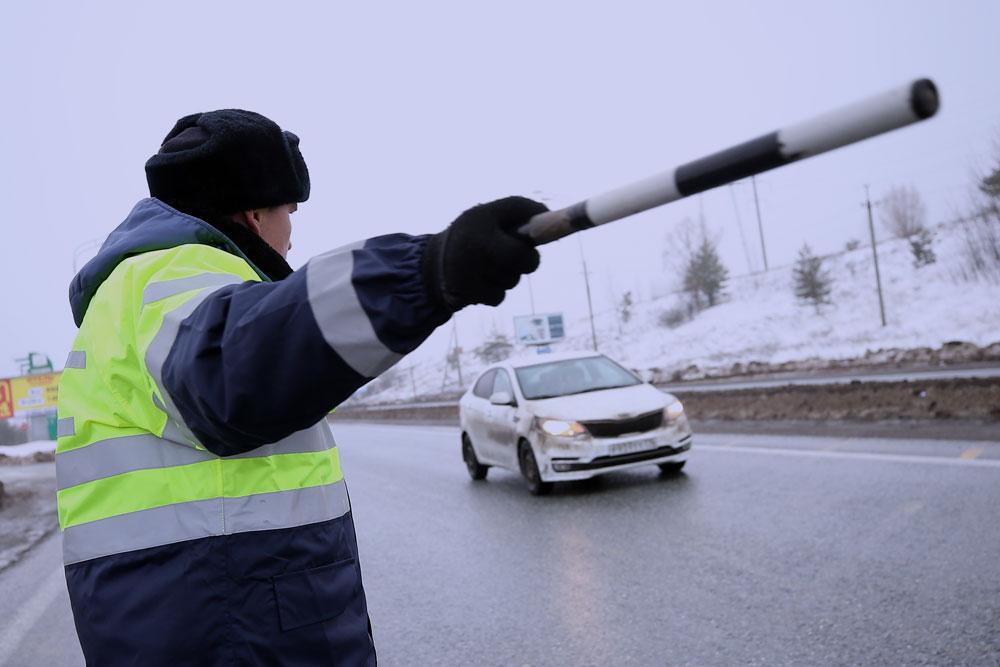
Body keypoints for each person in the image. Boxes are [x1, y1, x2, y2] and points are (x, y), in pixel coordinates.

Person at [56, 109, 546, 666]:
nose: (293, 232)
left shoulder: (145, 292)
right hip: (233, 629)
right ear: (254, 213)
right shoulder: (166, 274)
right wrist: (425, 272)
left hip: (213, 616)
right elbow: (236, 365)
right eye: (290, 210)